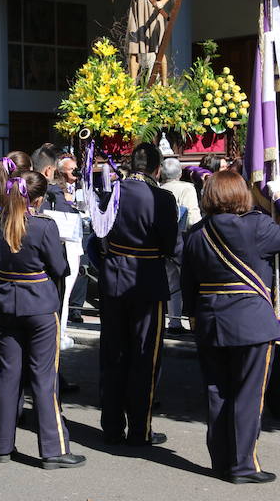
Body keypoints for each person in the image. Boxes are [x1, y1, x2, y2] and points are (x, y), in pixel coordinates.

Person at [181, 171, 280, 483]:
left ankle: (222, 461)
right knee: (248, 397)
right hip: (251, 323)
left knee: (217, 393)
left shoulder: (196, 234)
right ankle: (243, 467)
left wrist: (196, 320)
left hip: (210, 322)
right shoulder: (257, 226)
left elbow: (188, 286)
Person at [0, 169, 83, 469]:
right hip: (40, 304)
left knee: (8, 376)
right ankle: (52, 450)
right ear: (40, 199)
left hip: (8, 303)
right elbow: (58, 267)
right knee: (44, 379)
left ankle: (3, 445)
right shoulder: (44, 225)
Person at [93, 143, 178, 445]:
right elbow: (169, 246)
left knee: (113, 354)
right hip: (146, 281)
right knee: (144, 357)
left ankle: (112, 427)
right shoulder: (163, 198)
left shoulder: (111, 193)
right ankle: (140, 430)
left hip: (114, 279)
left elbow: (98, 236)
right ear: (156, 169)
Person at [160, 157, 201, 335]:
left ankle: (174, 322)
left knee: (172, 283)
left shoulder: (157, 189)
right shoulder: (187, 188)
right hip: (183, 239)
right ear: (179, 173)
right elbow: (193, 217)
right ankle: (194, 321)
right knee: (191, 281)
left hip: (163, 241)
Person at [31, 144, 76, 213]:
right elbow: (70, 216)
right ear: (48, 171)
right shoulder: (52, 191)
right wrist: (68, 202)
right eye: (53, 171)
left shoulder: (22, 186)